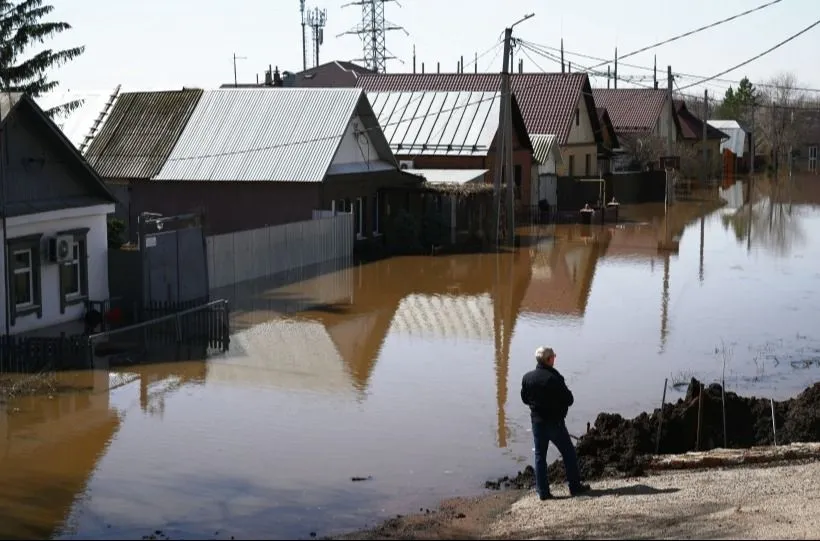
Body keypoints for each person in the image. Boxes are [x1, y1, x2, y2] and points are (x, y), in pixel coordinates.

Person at [520, 346, 591, 500]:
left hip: (537, 423)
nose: (555, 359)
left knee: (540, 456)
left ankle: (543, 492)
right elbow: (569, 399)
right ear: (549, 359)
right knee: (569, 453)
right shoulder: (554, 378)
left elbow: (525, 399)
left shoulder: (527, 378)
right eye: (554, 357)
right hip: (555, 423)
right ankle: (575, 487)